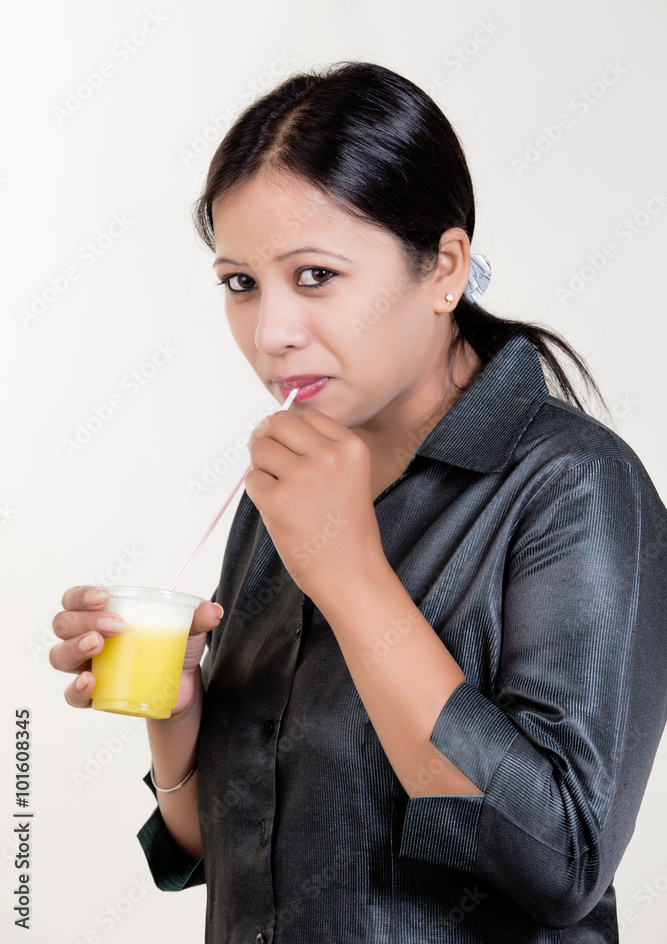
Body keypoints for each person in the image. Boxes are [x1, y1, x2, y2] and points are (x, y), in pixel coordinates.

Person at [50, 61, 667, 943]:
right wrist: (179, 715)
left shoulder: (573, 485)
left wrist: (350, 576)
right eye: (239, 282)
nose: (270, 333)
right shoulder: (290, 482)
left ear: (444, 267)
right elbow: (225, 850)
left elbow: (562, 861)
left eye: (314, 275)